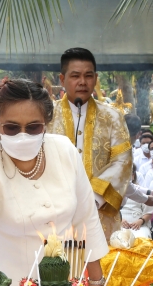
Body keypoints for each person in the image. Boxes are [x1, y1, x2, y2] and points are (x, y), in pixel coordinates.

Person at [0, 79, 109, 286]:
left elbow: (86, 218)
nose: (23, 135)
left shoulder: (65, 151)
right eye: (11, 128)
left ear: (46, 124)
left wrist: (96, 282)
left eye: (33, 128)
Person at [48, 48, 133, 240]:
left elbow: (123, 161)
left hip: (99, 212)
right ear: (62, 79)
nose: (82, 82)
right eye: (75, 76)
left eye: (88, 76)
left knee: (101, 258)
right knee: (56, 258)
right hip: (55, 211)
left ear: (95, 79)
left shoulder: (112, 116)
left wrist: (93, 198)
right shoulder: (47, 115)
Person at [120, 167, 153, 240]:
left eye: (129, 174)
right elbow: (109, 211)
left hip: (139, 225)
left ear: (133, 176)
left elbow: (149, 212)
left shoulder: (141, 191)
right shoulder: (113, 191)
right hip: (118, 224)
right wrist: (119, 219)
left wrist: (140, 221)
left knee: (142, 239)